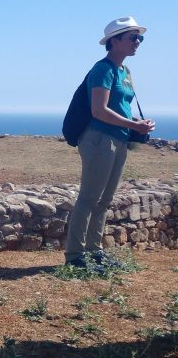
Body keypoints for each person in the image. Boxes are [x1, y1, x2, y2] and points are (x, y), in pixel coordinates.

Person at [64, 16, 155, 267]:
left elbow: (120, 107)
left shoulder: (125, 71)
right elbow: (99, 110)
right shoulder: (103, 69)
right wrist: (133, 125)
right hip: (99, 139)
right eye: (132, 37)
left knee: (104, 200)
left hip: (119, 139)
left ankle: (94, 251)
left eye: (140, 37)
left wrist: (139, 123)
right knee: (89, 198)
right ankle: (75, 256)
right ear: (114, 41)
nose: (138, 42)